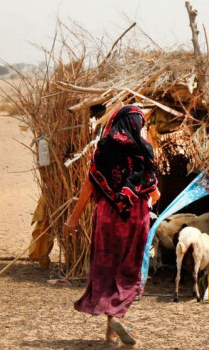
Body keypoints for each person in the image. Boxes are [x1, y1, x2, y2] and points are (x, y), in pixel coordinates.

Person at [63, 105, 160, 345]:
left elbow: (88, 186)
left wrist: (73, 218)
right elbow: (154, 193)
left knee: (106, 268)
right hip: (135, 218)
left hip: (106, 217)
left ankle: (111, 330)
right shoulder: (143, 152)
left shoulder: (103, 150)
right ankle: (116, 318)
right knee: (127, 270)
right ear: (137, 126)